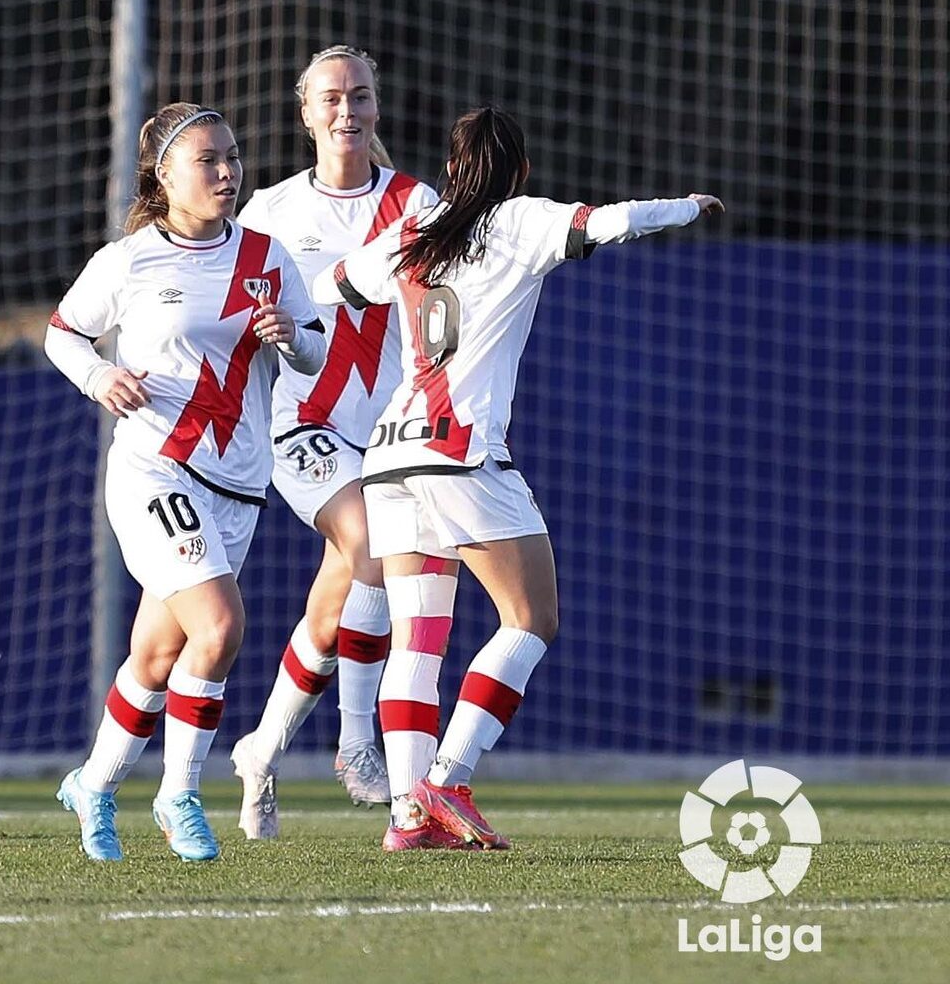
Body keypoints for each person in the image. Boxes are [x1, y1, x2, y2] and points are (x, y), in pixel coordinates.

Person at [312, 104, 721, 850]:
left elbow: (332, 285)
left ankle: (409, 818)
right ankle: (451, 776)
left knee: (418, 642)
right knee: (531, 618)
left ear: (450, 170)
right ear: (520, 171)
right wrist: (687, 208)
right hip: (461, 454)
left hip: (391, 454)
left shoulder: (411, 233)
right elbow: (609, 221)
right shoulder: (519, 219)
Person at [46, 102, 327, 862]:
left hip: (237, 487)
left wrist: (291, 339)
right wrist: (100, 373)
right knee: (221, 627)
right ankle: (181, 795)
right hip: (154, 469)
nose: (227, 172)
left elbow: (316, 353)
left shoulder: (268, 256)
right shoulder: (130, 259)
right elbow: (62, 332)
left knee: (158, 659)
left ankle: (95, 787)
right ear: (164, 174)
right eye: (207, 160)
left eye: (231, 157)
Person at [228, 46, 440, 838]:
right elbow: (228, 313)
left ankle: (259, 750)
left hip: (390, 429)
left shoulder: (418, 203)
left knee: (333, 606)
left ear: (377, 108)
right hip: (301, 424)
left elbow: (448, 306)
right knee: (374, 549)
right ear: (306, 113)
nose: (346, 111)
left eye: (359, 97)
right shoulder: (271, 213)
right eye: (331, 99)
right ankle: (357, 744)